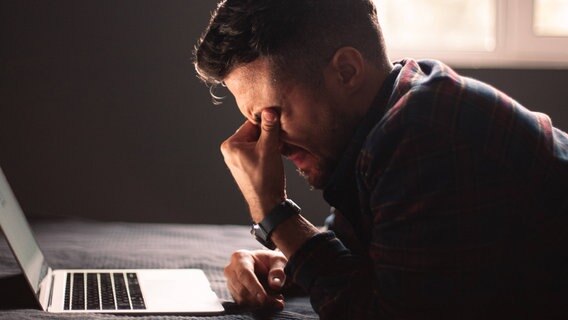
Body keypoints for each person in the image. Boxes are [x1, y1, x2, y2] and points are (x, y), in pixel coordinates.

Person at [193, 0, 568, 318]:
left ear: (347, 71)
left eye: (271, 117)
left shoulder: (424, 131)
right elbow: (368, 252)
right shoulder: (397, 107)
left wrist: (274, 213)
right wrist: (289, 263)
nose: (268, 145)